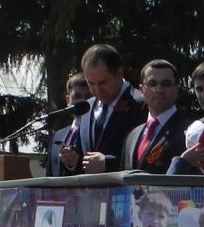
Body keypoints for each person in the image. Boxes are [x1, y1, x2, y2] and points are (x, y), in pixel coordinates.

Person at [59, 44, 146, 176]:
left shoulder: (141, 104)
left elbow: (148, 156)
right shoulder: (85, 108)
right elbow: (85, 160)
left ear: (119, 73)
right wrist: (72, 161)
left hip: (125, 193)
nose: (97, 90)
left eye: (103, 82)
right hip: (90, 193)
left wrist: (108, 163)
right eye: (91, 83)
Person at [120, 59, 194, 174]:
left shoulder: (190, 133)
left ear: (176, 90)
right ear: (142, 90)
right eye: (152, 84)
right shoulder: (132, 136)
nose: (159, 90)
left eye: (166, 84)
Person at [44, 71, 91, 177]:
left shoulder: (96, 132)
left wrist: (74, 165)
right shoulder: (58, 136)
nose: (82, 101)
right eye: (77, 96)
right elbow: (50, 175)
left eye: (88, 97)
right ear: (68, 100)